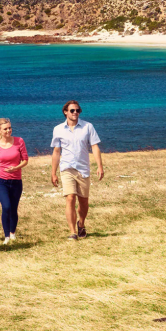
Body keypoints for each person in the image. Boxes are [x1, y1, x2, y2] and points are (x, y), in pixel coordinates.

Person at [50, 100, 104, 240]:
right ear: (65, 112)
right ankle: (73, 232)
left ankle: (81, 223)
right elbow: (56, 151)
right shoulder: (58, 129)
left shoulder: (88, 127)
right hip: (67, 168)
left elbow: (95, 147)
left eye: (77, 110)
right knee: (70, 198)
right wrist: (53, 172)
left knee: (83, 201)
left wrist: (99, 166)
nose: (75, 113)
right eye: (72, 110)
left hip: (83, 169)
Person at [0, 118, 28, 245]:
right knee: (6, 206)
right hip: (1, 181)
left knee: (13, 208)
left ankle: (12, 233)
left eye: (9, 128)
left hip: (16, 181)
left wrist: (16, 168)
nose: (8, 130)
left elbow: (25, 160)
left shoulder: (19, 141)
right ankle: (6, 236)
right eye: (5, 129)